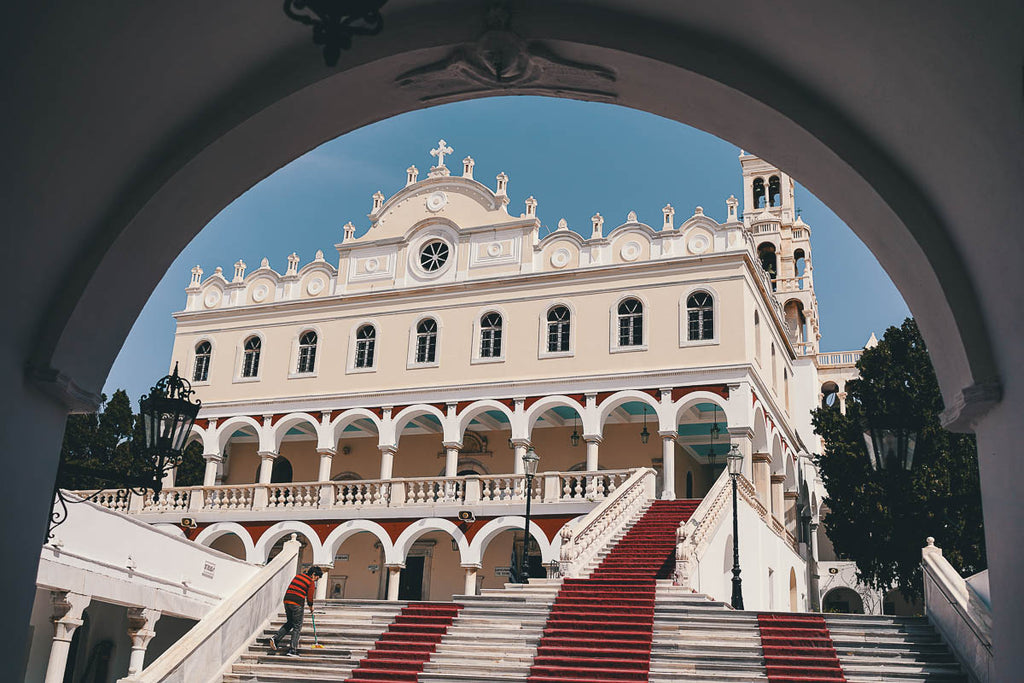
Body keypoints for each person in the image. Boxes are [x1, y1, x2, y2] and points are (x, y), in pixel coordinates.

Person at [269, 566, 322, 656]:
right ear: (313, 574)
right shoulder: (310, 582)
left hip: (287, 601)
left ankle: (276, 639)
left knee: (290, 623)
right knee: (297, 626)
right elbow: (309, 597)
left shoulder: (298, 576)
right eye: (317, 578)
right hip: (297, 603)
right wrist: (311, 606)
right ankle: (292, 650)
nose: (316, 580)